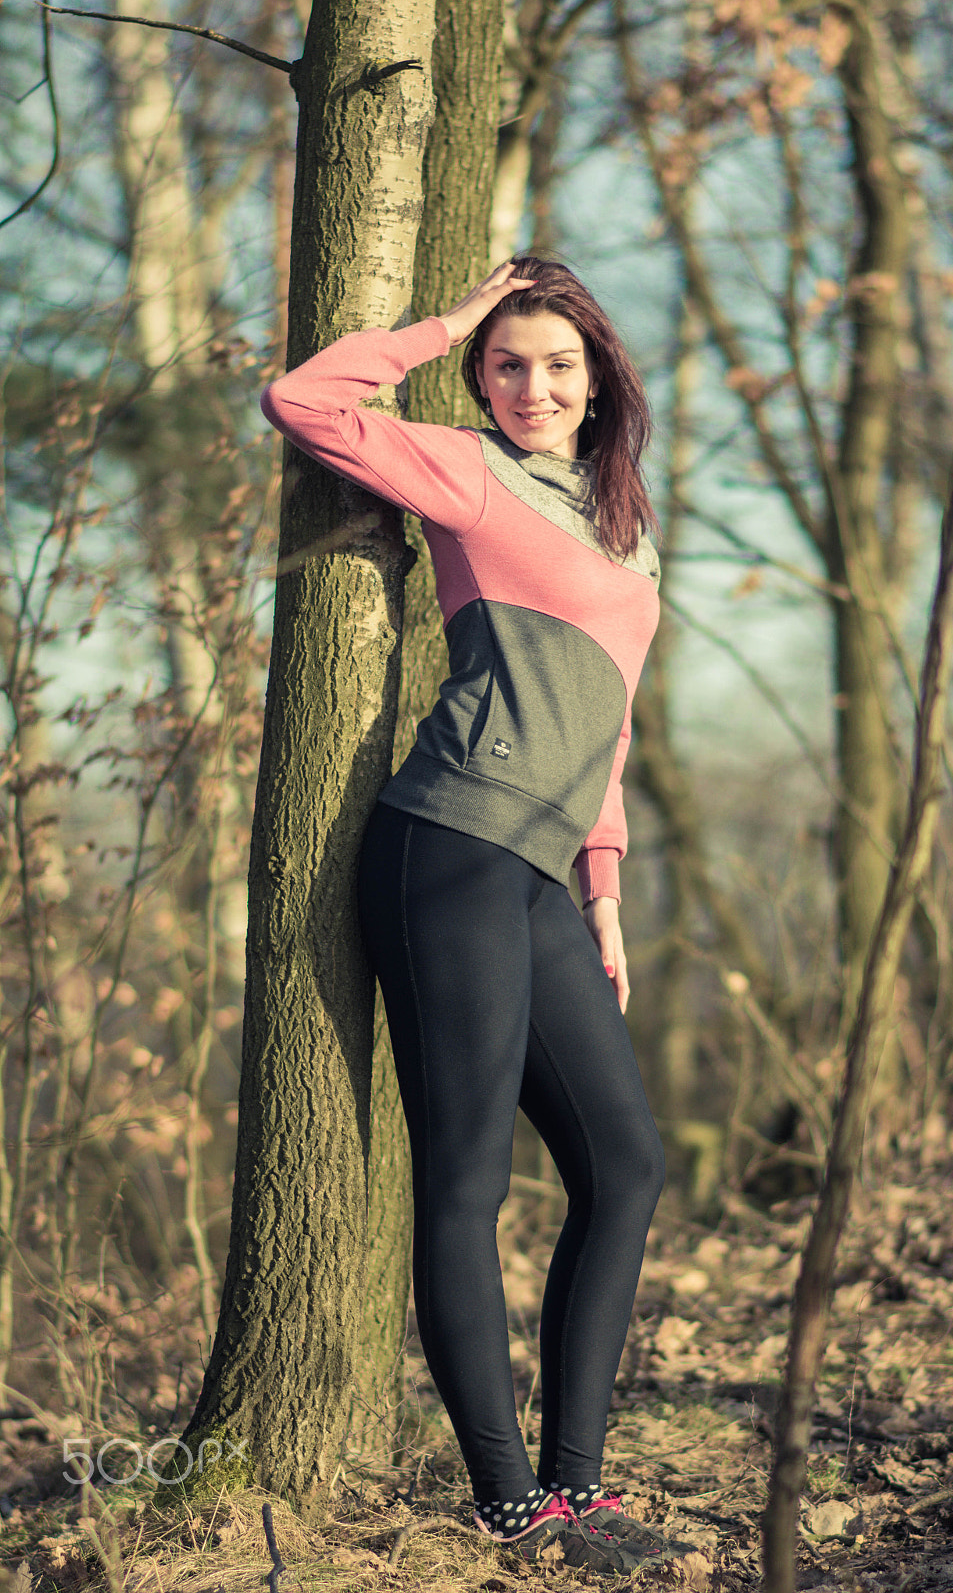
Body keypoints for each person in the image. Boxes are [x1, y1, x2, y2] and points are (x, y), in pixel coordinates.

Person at [261, 257, 690, 1574]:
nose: (532, 387)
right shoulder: (464, 467)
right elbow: (304, 399)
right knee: (469, 1177)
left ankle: (577, 1486)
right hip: (445, 843)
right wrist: (446, 321)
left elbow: (605, 733)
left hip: (539, 868)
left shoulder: (627, 521)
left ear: (602, 377)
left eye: (558, 364)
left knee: (624, 1164)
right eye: (507, 365)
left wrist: (605, 893)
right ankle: (510, 1505)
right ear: (480, 378)